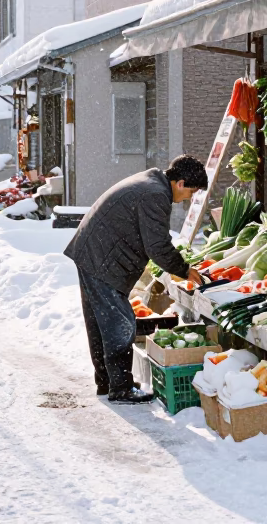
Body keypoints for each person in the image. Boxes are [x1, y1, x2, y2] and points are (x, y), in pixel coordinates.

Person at [64, 156, 208, 403]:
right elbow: (157, 246)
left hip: (93, 252)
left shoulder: (152, 183)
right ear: (181, 183)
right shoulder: (155, 195)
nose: (190, 198)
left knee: (100, 322)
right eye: (192, 192)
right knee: (120, 323)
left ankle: (108, 382)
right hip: (102, 259)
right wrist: (184, 270)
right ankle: (120, 388)